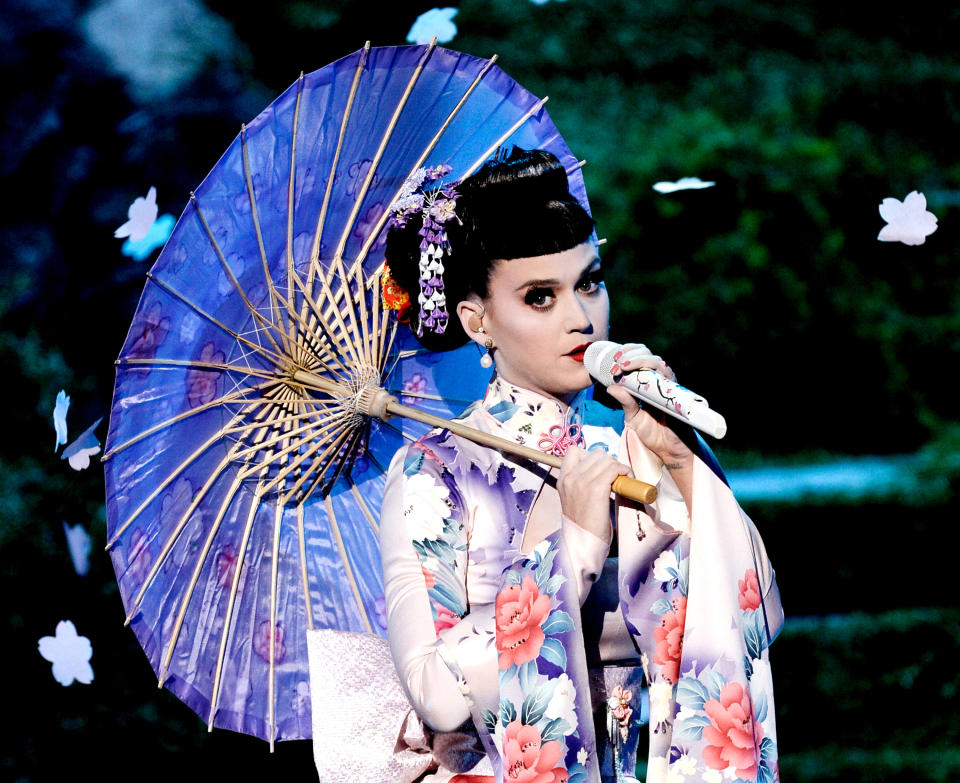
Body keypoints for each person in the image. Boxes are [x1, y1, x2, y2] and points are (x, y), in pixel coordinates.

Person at [375, 147, 782, 783]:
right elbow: (437, 696)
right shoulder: (436, 473)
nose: (581, 317)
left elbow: (760, 614)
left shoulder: (632, 446)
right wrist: (574, 549)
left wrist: (679, 456)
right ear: (477, 321)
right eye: (541, 297)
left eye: (589, 282)